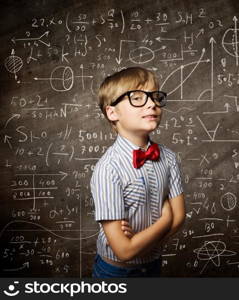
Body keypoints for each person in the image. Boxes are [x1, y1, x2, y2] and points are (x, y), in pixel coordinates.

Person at [90, 67, 185, 277]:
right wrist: (163, 220)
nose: (152, 103)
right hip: (115, 272)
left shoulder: (168, 158)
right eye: (138, 98)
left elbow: (178, 217)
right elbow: (124, 251)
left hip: (153, 265)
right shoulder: (108, 168)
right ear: (112, 112)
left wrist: (138, 241)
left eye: (154, 97)